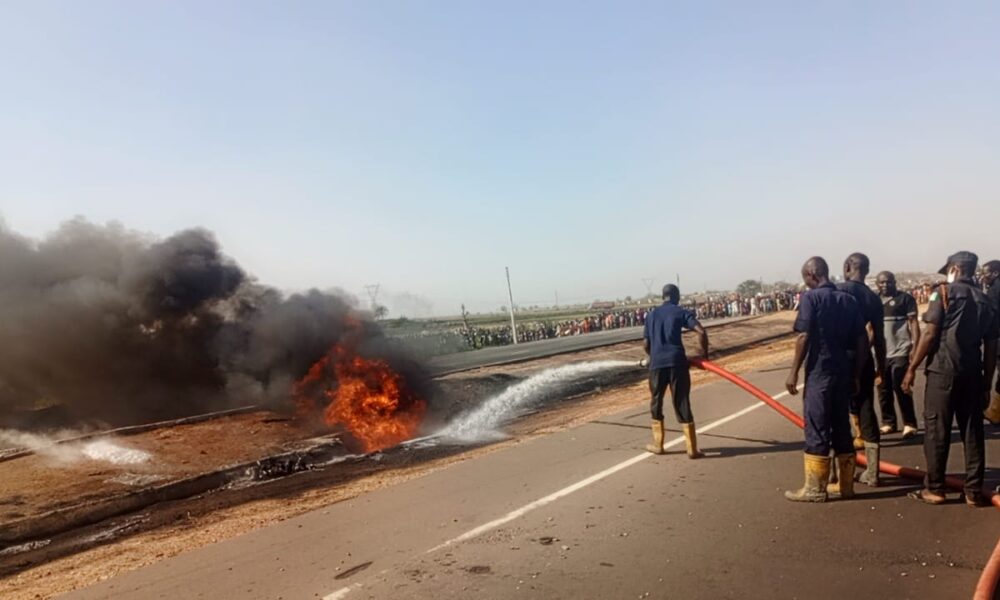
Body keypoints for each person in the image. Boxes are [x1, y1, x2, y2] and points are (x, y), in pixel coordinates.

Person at [902, 251, 998, 506]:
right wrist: (987, 383)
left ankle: (934, 488)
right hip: (972, 374)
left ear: (955, 268)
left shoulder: (942, 292)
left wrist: (912, 367)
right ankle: (974, 491)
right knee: (972, 432)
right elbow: (991, 347)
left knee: (937, 430)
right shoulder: (986, 301)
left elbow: (930, 333)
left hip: (943, 372)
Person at [784, 257, 867, 502]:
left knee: (817, 426)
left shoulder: (811, 299)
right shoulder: (849, 300)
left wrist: (793, 371)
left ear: (812, 274)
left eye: (806, 279)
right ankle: (846, 486)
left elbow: (803, 337)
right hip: (843, 371)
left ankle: (815, 489)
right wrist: (856, 374)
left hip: (820, 371)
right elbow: (862, 341)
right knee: (841, 426)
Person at [837, 253, 887, 487]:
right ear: (867, 271)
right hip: (864, 360)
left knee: (836, 414)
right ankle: (873, 472)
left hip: (839, 360)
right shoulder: (873, 298)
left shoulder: (838, 291)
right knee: (868, 411)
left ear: (848, 267)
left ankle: (841, 474)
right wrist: (881, 367)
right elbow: (879, 338)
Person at [642, 283, 709, 458]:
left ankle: (658, 445)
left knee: (656, 400)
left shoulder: (651, 315)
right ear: (676, 296)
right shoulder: (680, 312)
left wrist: (654, 355)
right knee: (682, 401)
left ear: (662, 296)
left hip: (656, 365)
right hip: (677, 362)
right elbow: (701, 332)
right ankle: (692, 449)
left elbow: (646, 344)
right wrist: (703, 355)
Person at [875, 271, 920, 438]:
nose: (885, 285)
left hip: (901, 350)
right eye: (881, 283)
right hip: (880, 353)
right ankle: (888, 422)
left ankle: (910, 423)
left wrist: (915, 346)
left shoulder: (905, 299)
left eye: (888, 282)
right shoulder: (874, 301)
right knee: (883, 388)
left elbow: (913, 323)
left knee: (901, 387)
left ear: (894, 282)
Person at [981, 260, 1000, 424]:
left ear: (995, 273)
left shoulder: (994, 291)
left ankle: (995, 412)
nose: (983, 276)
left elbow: (991, 317)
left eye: (985, 273)